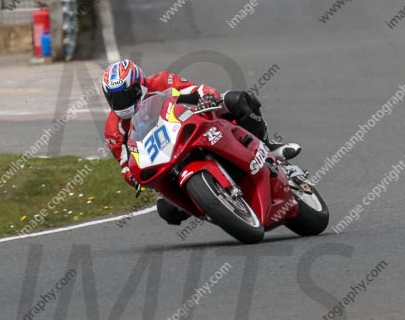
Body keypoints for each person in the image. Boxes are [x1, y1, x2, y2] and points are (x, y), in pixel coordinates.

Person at [102, 59, 300, 225]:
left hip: (189, 127)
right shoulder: (113, 128)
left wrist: (207, 97)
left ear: (139, 86)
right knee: (167, 210)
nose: (121, 103)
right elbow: (125, 163)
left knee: (236, 99)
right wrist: (133, 177)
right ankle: (214, 204)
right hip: (165, 161)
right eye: (115, 99)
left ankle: (267, 145)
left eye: (126, 95)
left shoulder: (162, 80)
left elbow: (197, 89)